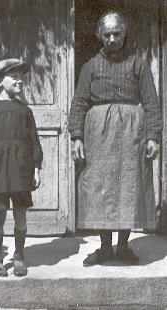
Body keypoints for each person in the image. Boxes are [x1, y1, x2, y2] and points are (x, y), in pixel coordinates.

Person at [68, 12, 162, 267]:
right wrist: (77, 137)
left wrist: (153, 136)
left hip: (132, 135)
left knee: (128, 188)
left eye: (117, 34)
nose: (112, 39)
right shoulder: (90, 67)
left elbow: (152, 102)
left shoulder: (138, 64)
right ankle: (105, 247)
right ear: (100, 35)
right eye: (107, 34)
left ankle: (123, 247)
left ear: (124, 34)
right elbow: (78, 103)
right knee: (100, 189)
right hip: (97, 136)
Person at [0, 58, 43, 277]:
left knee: (20, 211)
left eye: (21, 77)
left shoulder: (25, 111)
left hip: (20, 167)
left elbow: (34, 141)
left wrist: (36, 168)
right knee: (0, 211)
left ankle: (19, 255)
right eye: (13, 77)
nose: (19, 80)